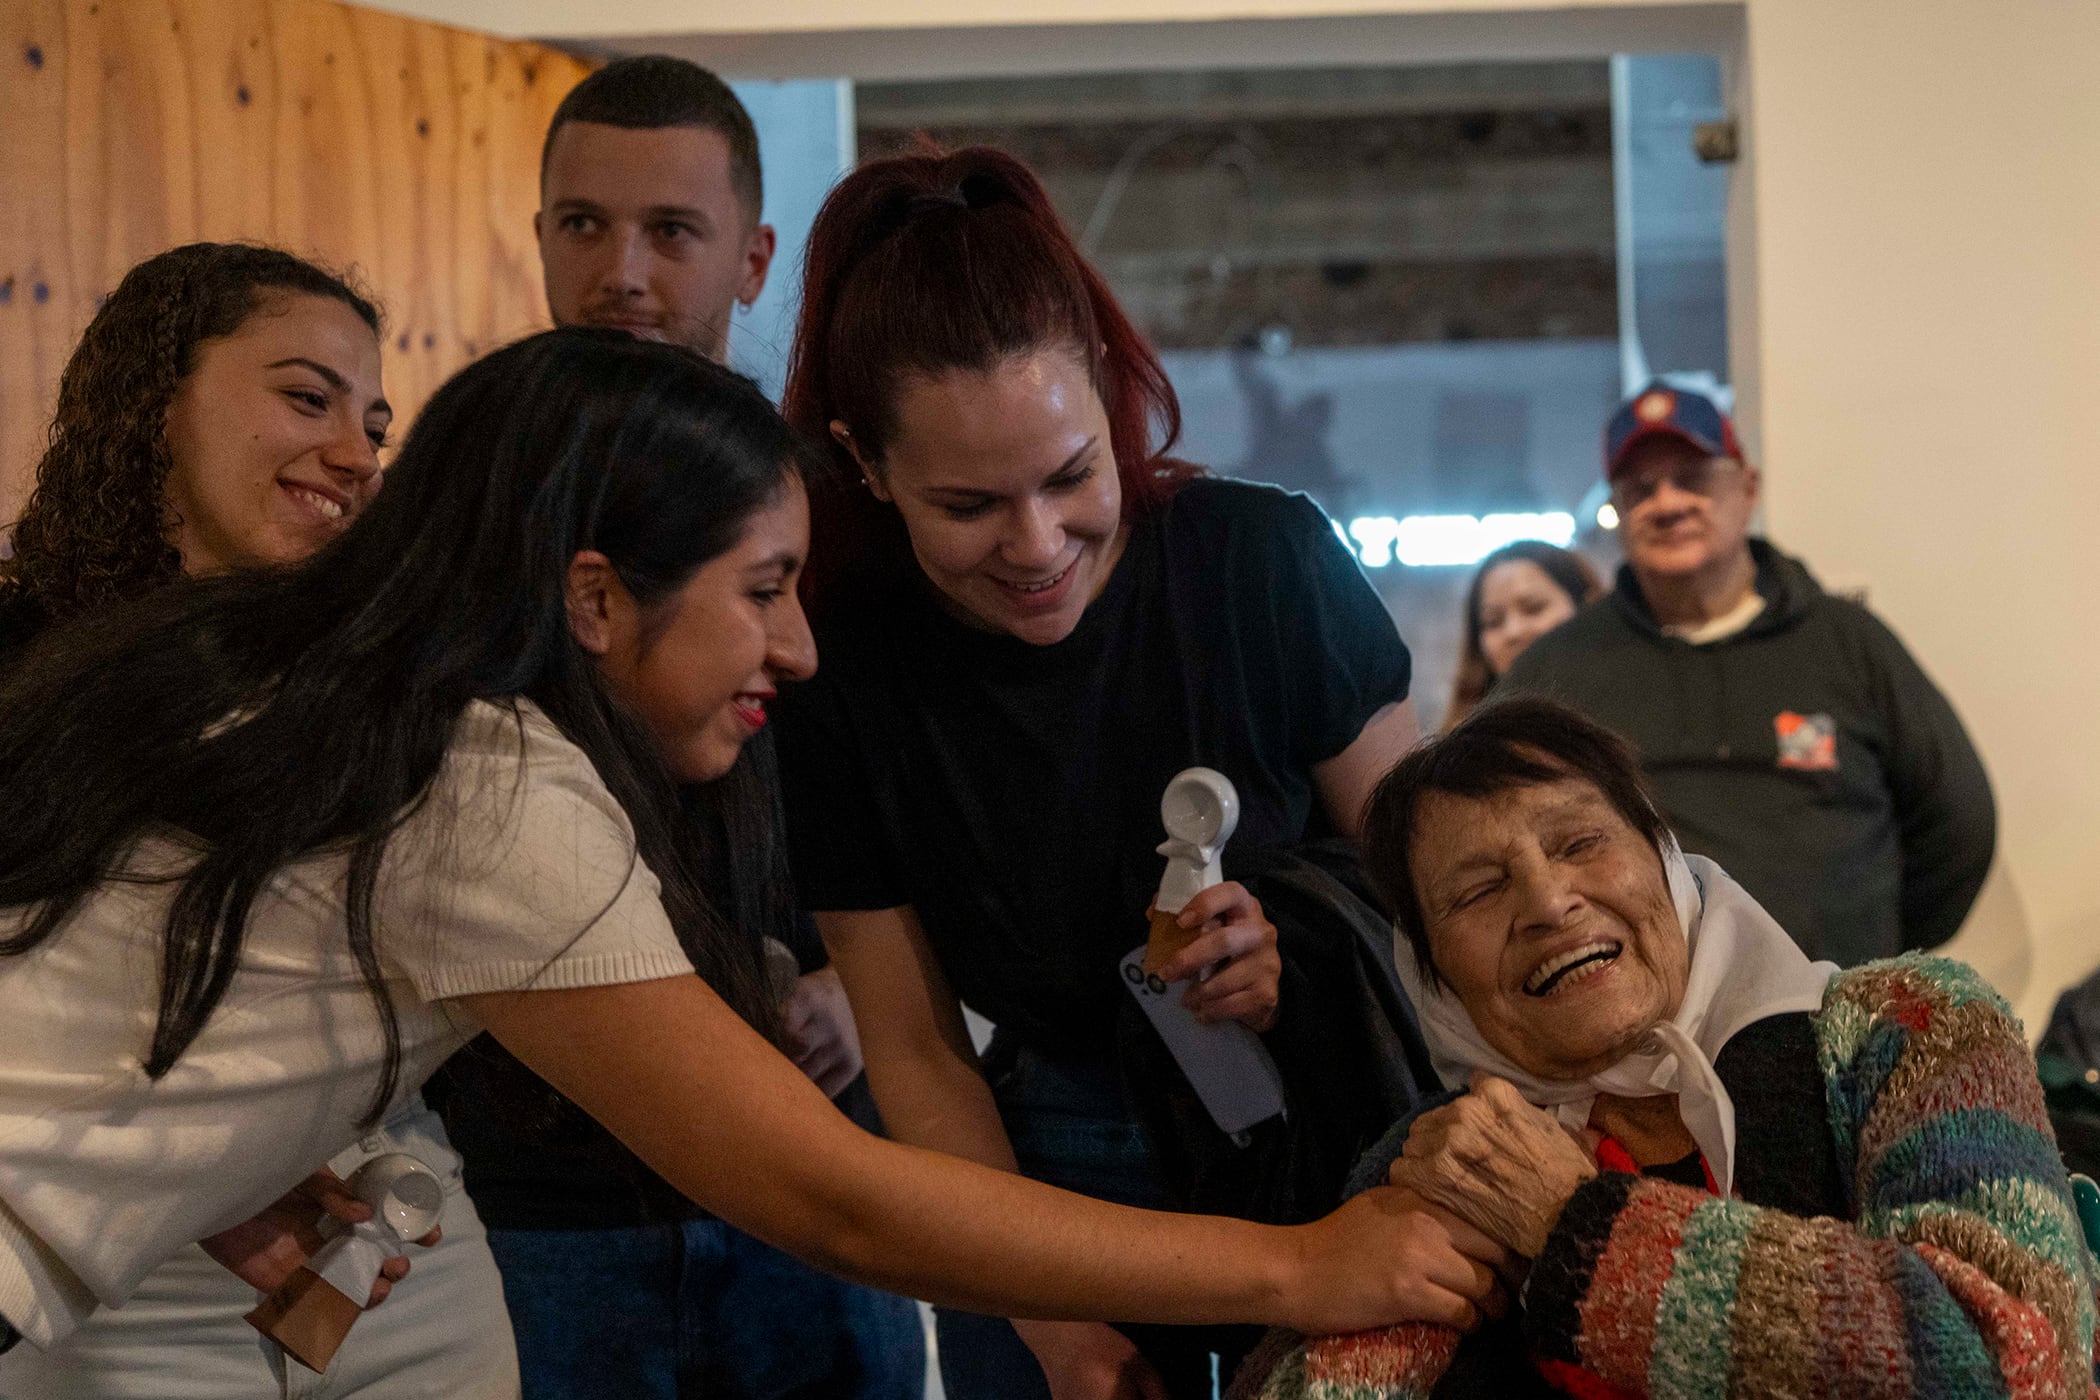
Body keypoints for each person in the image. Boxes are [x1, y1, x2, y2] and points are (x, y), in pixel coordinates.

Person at [0, 331, 1505, 1377]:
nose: (798, 649)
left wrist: (218, 1168)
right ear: (595, 599)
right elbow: (830, 1194)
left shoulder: (353, 699)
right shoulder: (487, 786)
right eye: (764, 588)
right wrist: (1301, 1264)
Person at [772, 147, 1436, 1400]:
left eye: (1073, 475)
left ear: (1111, 390)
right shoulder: (841, 660)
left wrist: (1294, 945)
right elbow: (914, 1048)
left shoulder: (1262, 559)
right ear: (864, 462)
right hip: (1042, 1165)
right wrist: (1052, 1323)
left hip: (1333, 1123)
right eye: (968, 505)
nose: (1037, 546)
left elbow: (1433, 894)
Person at [431, 55, 923, 1398]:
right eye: (585, 225)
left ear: (753, 259)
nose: (625, 275)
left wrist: (866, 989)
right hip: (533, 1190)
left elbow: (921, 793)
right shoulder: (465, 502)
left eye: (672, 231)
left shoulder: (838, 512)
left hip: (813, 1136)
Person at [1237, 697, 2098, 1400]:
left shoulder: (1911, 1026)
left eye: (1581, 843)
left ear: (1666, 860)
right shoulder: (1451, 1156)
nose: (1548, 902)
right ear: (1431, 975)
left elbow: (2010, 1365)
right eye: (1479, 891)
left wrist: (1576, 1227)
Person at [0, 242, 520, 1399]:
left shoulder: (386, 677)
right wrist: (201, 1179)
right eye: (307, 398)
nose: (356, 454)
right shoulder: (20, 660)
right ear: (155, 401)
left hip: (395, 1240)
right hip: (112, 1282)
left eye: (375, 427)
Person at [1501, 380, 1995, 965]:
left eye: (1693, 478)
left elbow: (1960, 823)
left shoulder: (1848, 641)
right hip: (1652, 1013)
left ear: (1748, 488)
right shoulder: (1558, 669)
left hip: (1839, 1003)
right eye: (1641, 490)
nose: (1668, 503)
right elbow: (1488, 828)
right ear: (1620, 512)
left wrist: (1871, 937)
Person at [1444, 542, 1600, 728]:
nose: (1513, 632)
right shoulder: (1467, 737)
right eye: (1493, 621)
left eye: (1533, 608)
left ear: (1588, 606)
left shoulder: (1623, 702)